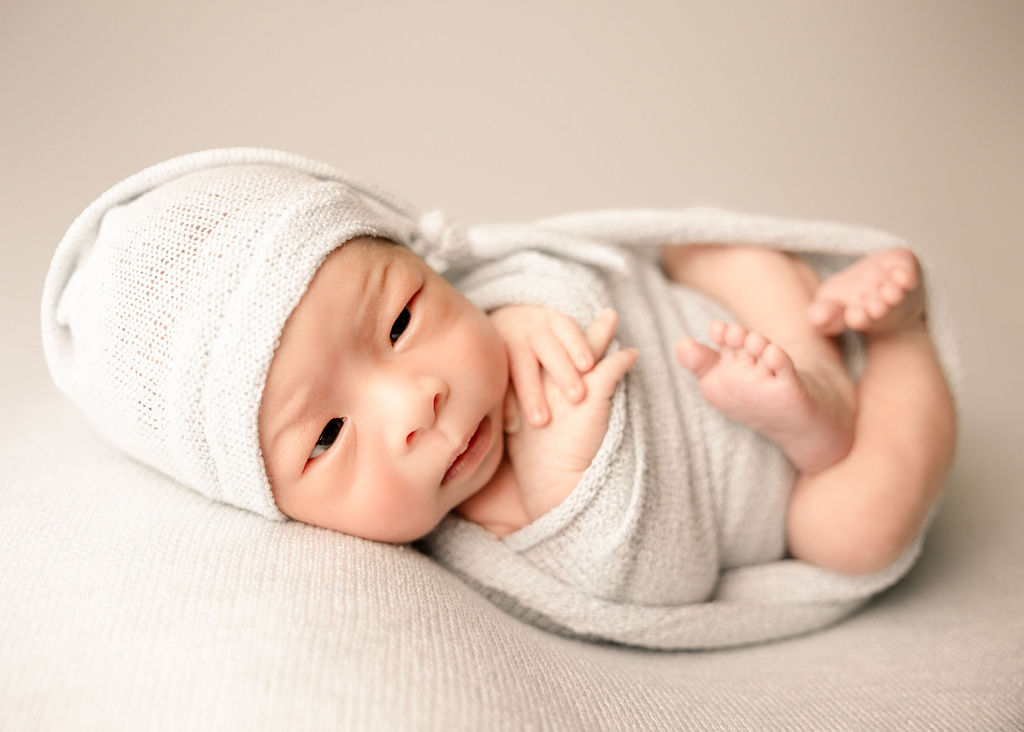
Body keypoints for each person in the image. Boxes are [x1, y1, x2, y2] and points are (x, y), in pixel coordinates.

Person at [42, 148, 957, 649]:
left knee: (713, 261)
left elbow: (556, 266)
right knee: (858, 529)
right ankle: (895, 344)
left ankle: (804, 345)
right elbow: (669, 591)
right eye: (325, 434)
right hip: (794, 490)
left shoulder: (494, 295)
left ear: (424, 261)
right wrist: (570, 488)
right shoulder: (495, 535)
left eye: (401, 321)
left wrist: (529, 306)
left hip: (715, 327)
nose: (417, 403)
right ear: (266, 501)